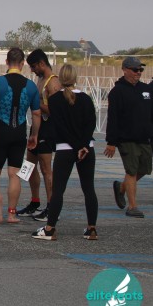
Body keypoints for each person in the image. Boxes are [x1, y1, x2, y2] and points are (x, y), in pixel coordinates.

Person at [31, 64, 99, 240]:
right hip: (87, 148)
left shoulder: (54, 100)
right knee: (89, 189)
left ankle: (50, 228)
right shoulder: (86, 99)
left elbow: (60, 127)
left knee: (58, 190)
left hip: (65, 148)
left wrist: (76, 146)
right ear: (75, 78)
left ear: (60, 79)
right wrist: (83, 145)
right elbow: (91, 123)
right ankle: (92, 228)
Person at [0, 48, 41, 224]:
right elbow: (37, 114)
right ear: (23, 64)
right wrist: (34, 134)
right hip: (19, 133)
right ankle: (11, 214)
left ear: (7, 62)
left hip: (1, 131)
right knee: (14, 174)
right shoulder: (31, 86)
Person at [104, 56, 153, 218]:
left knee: (145, 169)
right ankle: (132, 206)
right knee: (131, 171)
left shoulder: (146, 89)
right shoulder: (117, 92)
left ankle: (121, 187)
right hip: (126, 139)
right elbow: (113, 118)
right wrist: (111, 142)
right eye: (135, 69)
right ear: (125, 70)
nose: (138, 72)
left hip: (144, 138)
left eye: (140, 69)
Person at [18, 49, 60, 219]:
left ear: (42, 63)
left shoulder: (53, 82)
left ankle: (51, 206)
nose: (32, 70)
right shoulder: (40, 80)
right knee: (28, 166)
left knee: (46, 169)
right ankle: (34, 202)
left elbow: (55, 110)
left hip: (48, 130)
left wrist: (35, 103)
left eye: (34, 66)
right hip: (36, 129)